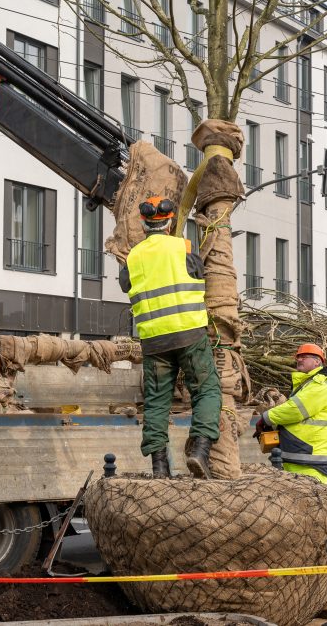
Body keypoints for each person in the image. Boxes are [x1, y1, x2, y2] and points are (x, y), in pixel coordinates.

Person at [119, 195, 221, 479]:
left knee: (156, 402)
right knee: (207, 390)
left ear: (143, 223)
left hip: (154, 342)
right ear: (170, 221)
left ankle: (160, 467)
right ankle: (199, 450)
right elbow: (201, 272)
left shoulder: (133, 257)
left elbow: (126, 283)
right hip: (189, 334)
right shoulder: (184, 246)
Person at [253, 343, 327, 484]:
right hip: (301, 458)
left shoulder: (320, 386)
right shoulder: (308, 385)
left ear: (317, 361)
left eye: (304, 357)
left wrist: (266, 418)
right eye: (298, 357)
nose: (299, 359)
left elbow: (294, 410)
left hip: (310, 462)